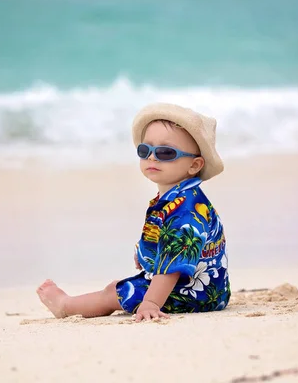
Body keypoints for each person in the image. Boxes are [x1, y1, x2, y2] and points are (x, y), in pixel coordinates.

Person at [37, 103, 230, 322]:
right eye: (145, 150)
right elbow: (162, 238)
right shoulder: (174, 198)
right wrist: (144, 254)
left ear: (194, 165)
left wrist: (150, 303)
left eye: (166, 152)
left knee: (115, 292)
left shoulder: (186, 210)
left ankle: (66, 306)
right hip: (203, 287)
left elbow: (172, 265)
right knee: (120, 287)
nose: (152, 158)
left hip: (196, 294)